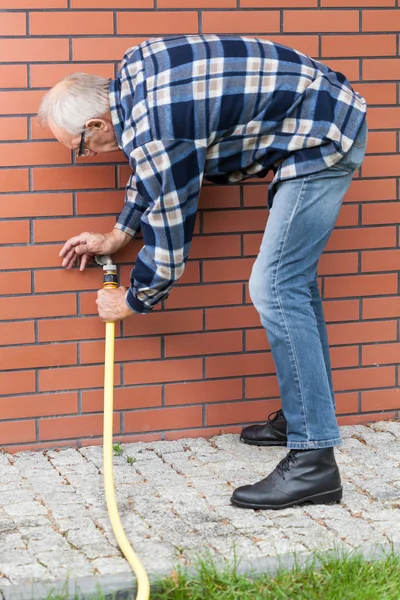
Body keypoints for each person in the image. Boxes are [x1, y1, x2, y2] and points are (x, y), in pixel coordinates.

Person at [38, 34, 367, 511]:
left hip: (324, 139)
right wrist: (118, 234)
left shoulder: (156, 130)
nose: (89, 155)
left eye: (82, 147)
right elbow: (152, 168)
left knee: (274, 287)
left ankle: (314, 459)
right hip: (323, 116)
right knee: (290, 287)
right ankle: (304, 417)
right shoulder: (132, 74)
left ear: (96, 122)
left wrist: (131, 301)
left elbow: (171, 234)